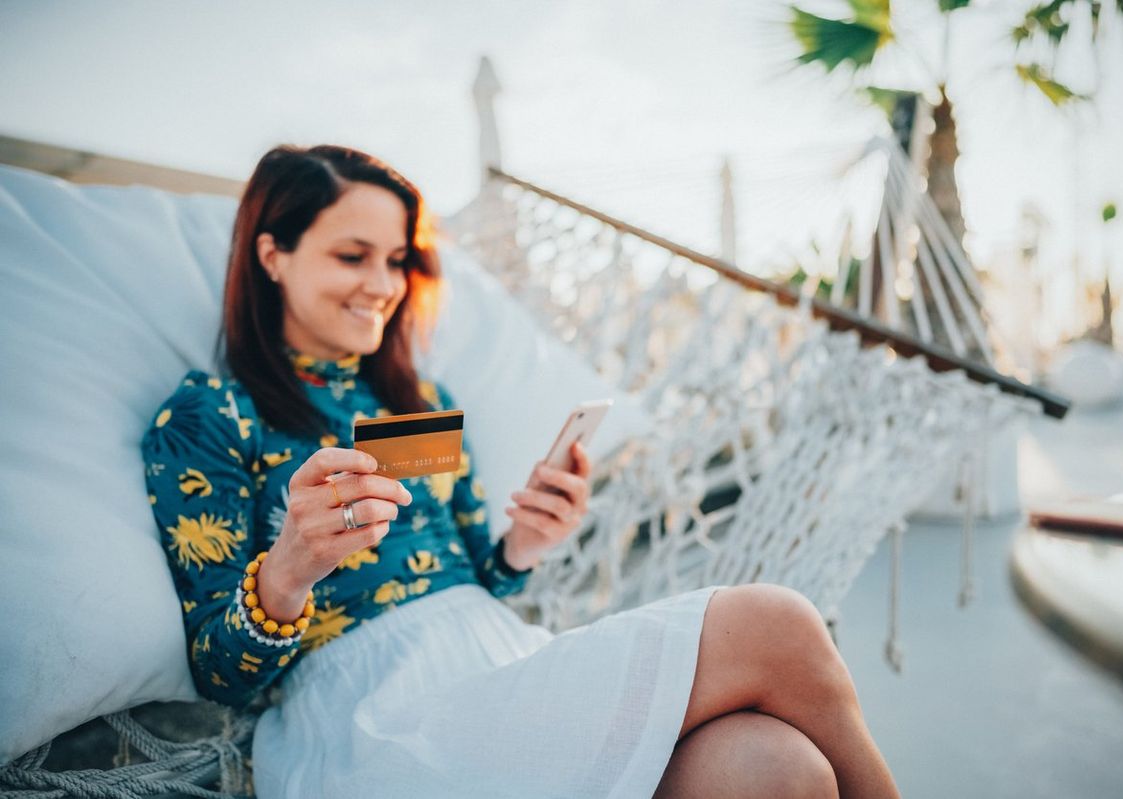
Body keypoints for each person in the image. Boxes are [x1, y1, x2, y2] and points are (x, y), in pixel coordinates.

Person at [141, 144, 900, 799]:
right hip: (369, 715)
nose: (382, 282)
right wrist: (288, 571)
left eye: (398, 258)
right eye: (352, 254)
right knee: (777, 622)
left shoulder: (422, 399)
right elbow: (219, 673)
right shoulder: (210, 415)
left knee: (777, 768)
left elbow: (478, 575)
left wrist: (523, 546)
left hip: (498, 660)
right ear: (272, 253)